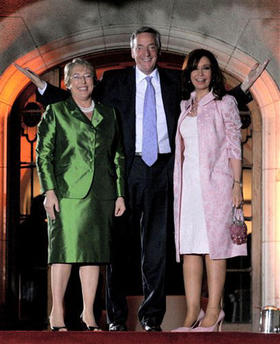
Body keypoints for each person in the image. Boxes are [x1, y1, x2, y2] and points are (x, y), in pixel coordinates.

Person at [14, 27, 268, 332]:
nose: (145, 53)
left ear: (157, 51)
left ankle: (151, 319)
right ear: (132, 51)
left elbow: (212, 100)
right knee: (117, 247)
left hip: (165, 171)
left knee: (158, 249)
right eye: (139, 48)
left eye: (151, 47)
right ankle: (116, 319)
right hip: (125, 171)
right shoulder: (114, 81)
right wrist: (43, 87)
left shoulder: (176, 82)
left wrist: (244, 88)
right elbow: (80, 99)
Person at [35, 57, 125, 331]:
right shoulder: (56, 111)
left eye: (87, 76)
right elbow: (44, 154)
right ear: (66, 82)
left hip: (102, 194)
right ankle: (57, 313)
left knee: (94, 254)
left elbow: (118, 155)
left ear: (94, 81)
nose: (83, 81)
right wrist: (49, 190)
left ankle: (89, 315)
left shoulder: (109, 113)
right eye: (76, 77)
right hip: (66, 194)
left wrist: (120, 194)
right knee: (63, 252)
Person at [172, 49, 247, 332]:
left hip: (216, 186)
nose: (200, 74)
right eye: (194, 69)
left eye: (205, 68)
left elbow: (233, 145)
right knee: (191, 247)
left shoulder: (224, 103)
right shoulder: (184, 106)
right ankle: (192, 313)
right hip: (188, 188)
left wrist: (237, 184)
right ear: (188, 73)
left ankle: (214, 311)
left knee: (214, 248)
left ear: (212, 72)